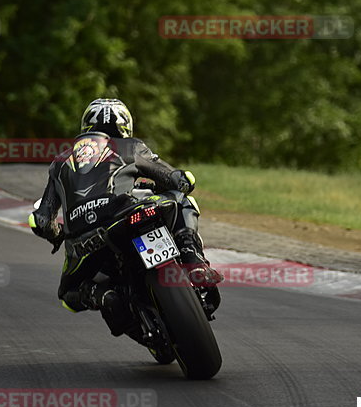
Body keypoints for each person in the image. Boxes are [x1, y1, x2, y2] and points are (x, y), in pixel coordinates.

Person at [29, 98, 222, 336]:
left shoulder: (59, 163)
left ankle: (102, 296)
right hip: (122, 213)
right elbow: (173, 177)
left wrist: (56, 234)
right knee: (182, 200)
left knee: (69, 295)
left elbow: (41, 220)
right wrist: (183, 181)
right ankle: (193, 259)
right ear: (126, 126)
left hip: (83, 242)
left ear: (86, 126)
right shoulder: (130, 146)